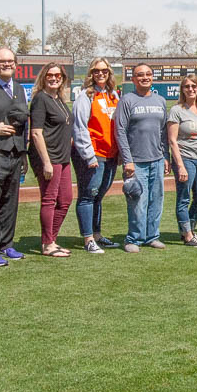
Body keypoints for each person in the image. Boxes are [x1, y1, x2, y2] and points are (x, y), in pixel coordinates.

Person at [115, 63, 170, 253]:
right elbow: (120, 131)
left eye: (148, 74)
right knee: (137, 200)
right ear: (133, 79)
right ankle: (134, 238)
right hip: (136, 161)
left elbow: (163, 132)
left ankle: (152, 236)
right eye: (140, 75)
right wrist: (127, 159)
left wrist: (165, 156)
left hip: (156, 158)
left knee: (156, 199)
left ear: (152, 77)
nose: (144, 77)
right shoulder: (127, 100)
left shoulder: (160, 101)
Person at [71, 57, 120, 254]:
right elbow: (79, 128)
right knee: (88, 195)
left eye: (104, 71)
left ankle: (97, 235)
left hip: (110, 154)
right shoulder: (85, 96)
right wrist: (88, 156)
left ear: (109, 74)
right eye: (96, 71)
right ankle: (88, 238)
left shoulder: (113, 95)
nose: (101, 74)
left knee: (98, 196)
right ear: (91, 73)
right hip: (93, 153)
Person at [0, 47, 29, 267]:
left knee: (10, 202)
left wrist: (24, 153)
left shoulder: (20, 89)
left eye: (10, 61)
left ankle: (6, 244)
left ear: (15, 64)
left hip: (15, 153)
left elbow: (25, 123)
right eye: (2, 61)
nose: (6, 64)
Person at [29, 62, 74, 257]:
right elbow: (36, 133)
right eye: (50, 75)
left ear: (63, 79)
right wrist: (46, 162)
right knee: (49, 200)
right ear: (44, 77)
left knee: (65, 200)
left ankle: (51, 239)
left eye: (58, 75)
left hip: (63, 157)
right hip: (49, 157)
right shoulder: (41, 99)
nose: (54, 78)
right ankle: (48, 244)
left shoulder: (59, 100)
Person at [167, 74, 197, 248]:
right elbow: (172, 140)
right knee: (184, 199)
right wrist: (180, 165)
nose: (191, 89)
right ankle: (188, 235)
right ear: (182, 89)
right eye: (187, 86)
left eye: (194, 86)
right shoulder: (177, 110)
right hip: (185, 159)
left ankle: (189, 230)